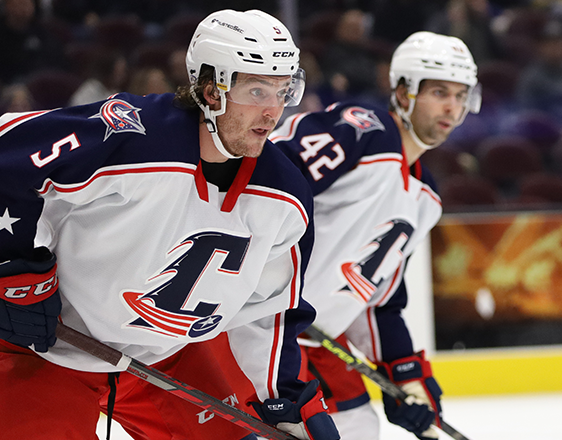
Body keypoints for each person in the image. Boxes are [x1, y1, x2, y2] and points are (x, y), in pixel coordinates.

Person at [0, 9, 339, 440]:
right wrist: (15, 274)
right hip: (43, 345)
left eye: (283, 91)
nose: (273, 111)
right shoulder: (128, 135)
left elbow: (268, 312)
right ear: (210, 88)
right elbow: (8, 160)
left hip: (164, 359)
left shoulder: (286, 196)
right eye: (256, 90)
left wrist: (284, 397)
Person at [268, 31, 480, 440]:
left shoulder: (426, 198)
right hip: (262, 327)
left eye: (460, 95)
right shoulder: (364, 133)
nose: (452, 107)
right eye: (439, 92)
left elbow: (376, 301)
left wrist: (406, 373)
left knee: (358, 427)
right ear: (403, 93)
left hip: (313, 341)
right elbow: (268, 180)